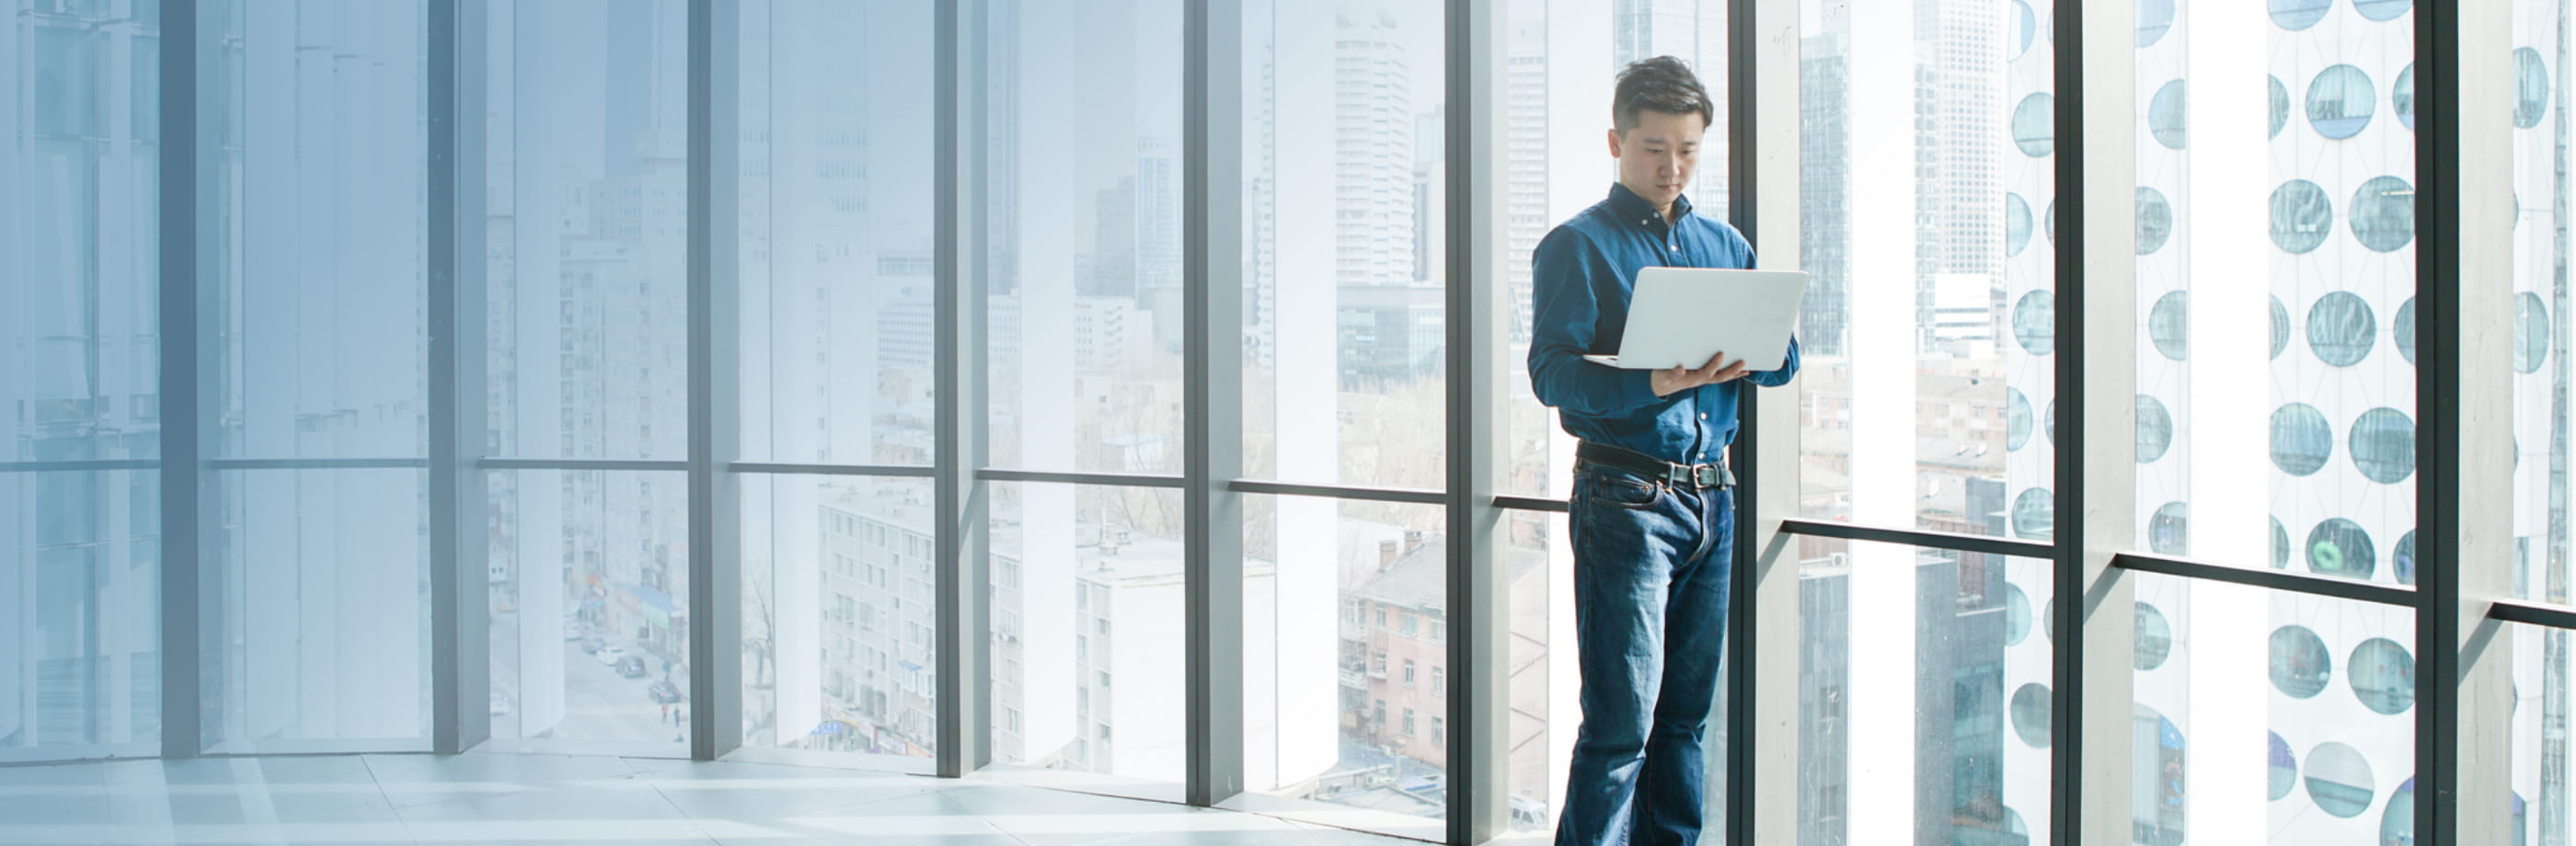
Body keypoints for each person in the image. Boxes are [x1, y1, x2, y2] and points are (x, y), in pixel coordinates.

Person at [1528, 55, 1800, 846]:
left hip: (1715, 499)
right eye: (1653, 148)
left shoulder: (1726, 243)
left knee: (1684, 721)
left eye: (1687, 149)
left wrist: (1752, 351)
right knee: (1620, 727)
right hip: (1626, 500)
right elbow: (1552, 375)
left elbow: (1784, 362)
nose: (1671, 167)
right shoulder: (1576, 246)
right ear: (1615, 141)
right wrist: (1656, 380)